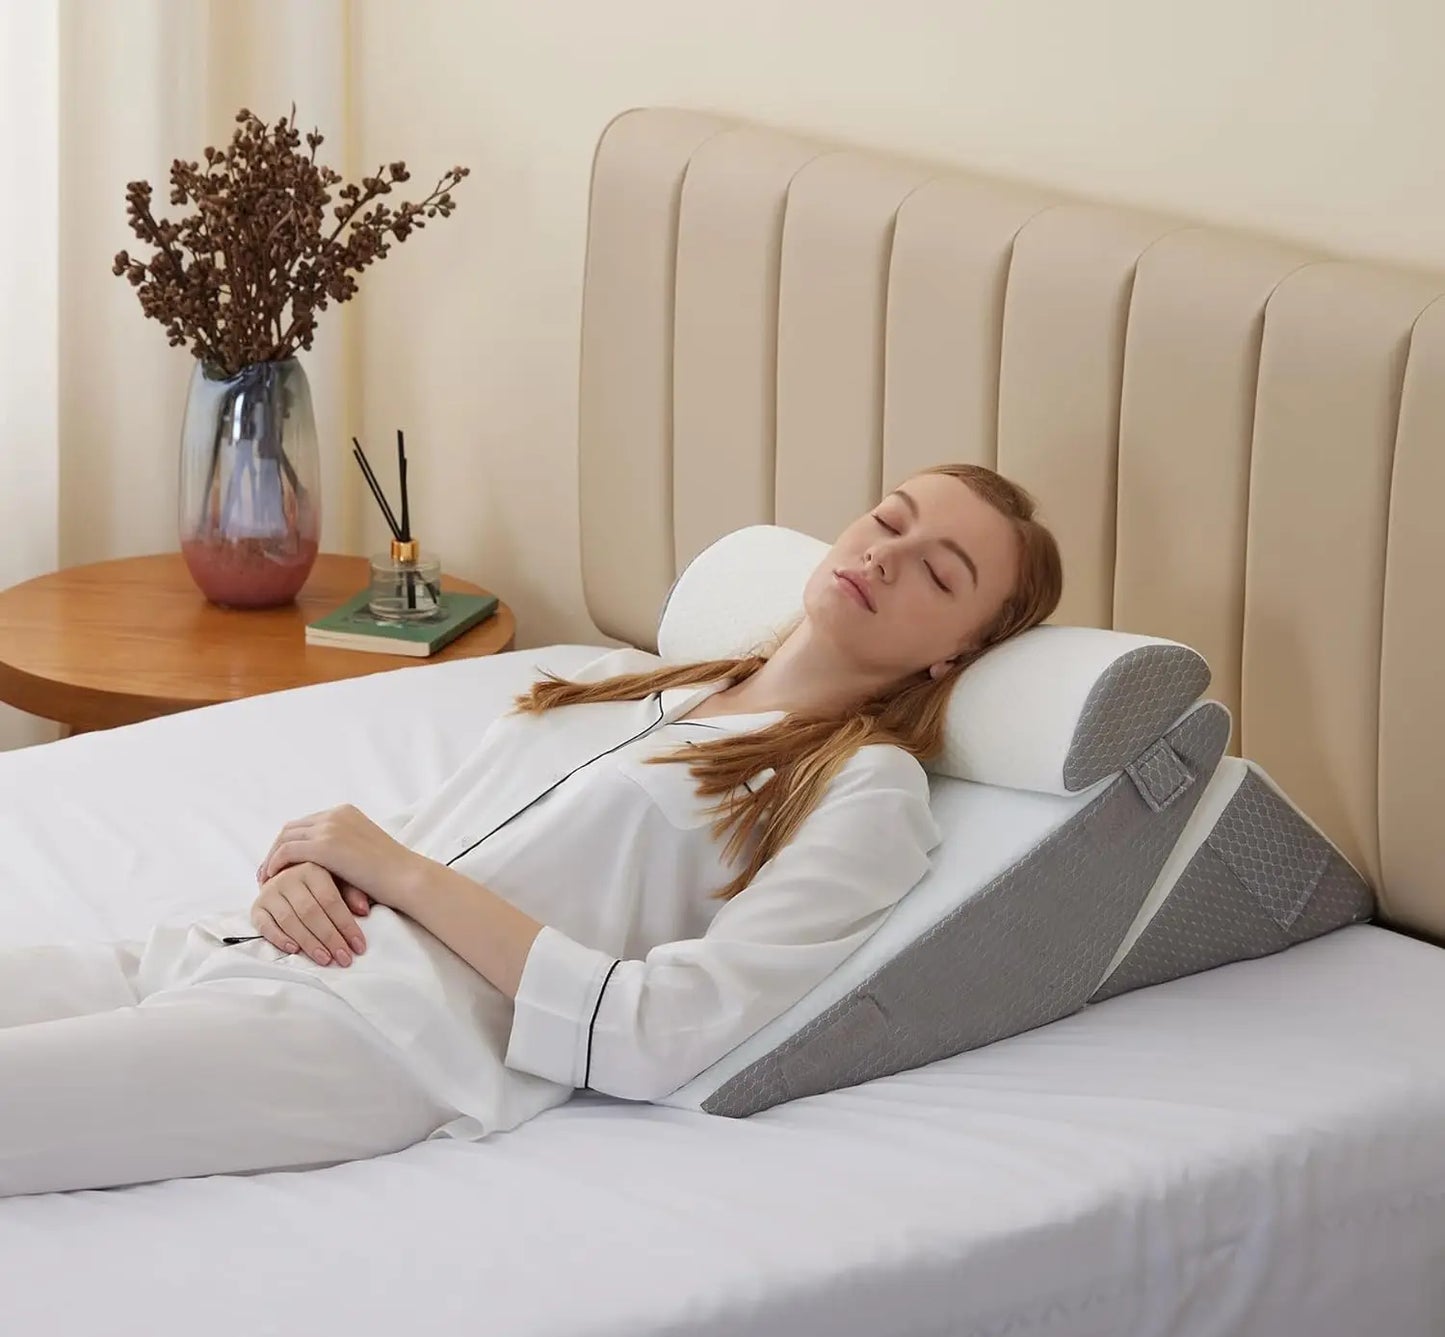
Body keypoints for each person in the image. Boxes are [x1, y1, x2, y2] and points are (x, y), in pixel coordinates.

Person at [0, 464, 1062, 1198]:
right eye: (887, 520)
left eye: (937, 571)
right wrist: (302, 864)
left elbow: (661, 1032)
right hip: (247, 944)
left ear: (955, 652)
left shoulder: (862, 791)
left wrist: (395, 871)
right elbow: (422, 835)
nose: (887, 556)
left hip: (370, 1041)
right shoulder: (618, 679)